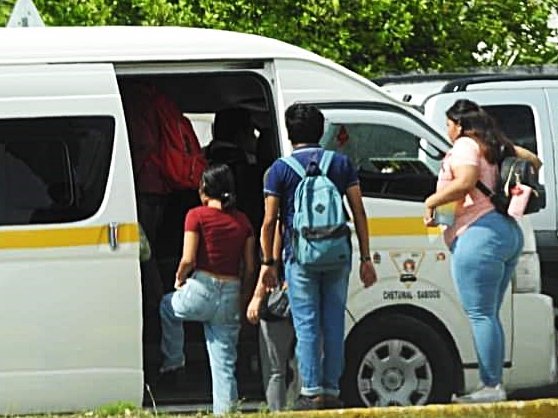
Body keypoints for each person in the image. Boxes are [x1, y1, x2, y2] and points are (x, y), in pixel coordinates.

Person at [258, 103, 377, 410]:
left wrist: (269, 263)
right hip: (337, 255)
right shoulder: (341, 164)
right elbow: (358, 212)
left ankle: (311, 390)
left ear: (289, 133)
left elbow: (270, 222)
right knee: (334, 321)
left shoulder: (279, 170)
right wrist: (366, 258)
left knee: (307, 323)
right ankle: (332, 388)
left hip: (300, 257)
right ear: (321, 131)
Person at [423, 99, 540, 403]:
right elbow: (534, 161)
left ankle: (491, 386)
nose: (447, 131)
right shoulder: (494, 146)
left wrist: (432, 201)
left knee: (480, 314)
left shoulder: (464, 145)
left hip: (478, 235)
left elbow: (464, 182)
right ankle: (493, 383)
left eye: (449, 125)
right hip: (506, 231)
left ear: (460, 125)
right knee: (488, 315)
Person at [159, 164, 255, 415]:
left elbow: (188, 259)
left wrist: (179, 279)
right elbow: (250, 268)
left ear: (204, 189)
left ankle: (174, 363)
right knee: (224, 366)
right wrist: (243, 298)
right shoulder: (243, 221)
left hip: (202, 288)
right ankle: (226, 412)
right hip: (231, 292)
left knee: (167, 307)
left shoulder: (196, 215)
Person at [246, 211, 295, 412]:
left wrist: (257, 298)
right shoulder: (298, 219)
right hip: (305, 297)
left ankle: (277, 412)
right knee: (303, 364)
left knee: (275, 371)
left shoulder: (274, 225)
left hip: (278, 300)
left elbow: (270, 267)